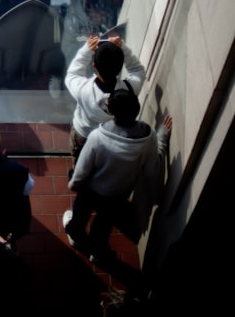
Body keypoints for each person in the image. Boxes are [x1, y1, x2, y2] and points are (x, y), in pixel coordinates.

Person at [64, 87, 172, 262]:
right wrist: (162, 138)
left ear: (112, 111)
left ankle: (76, 236)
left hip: (91, 190)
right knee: (104, 224)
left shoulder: (98, 136)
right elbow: (153, 170)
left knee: (80, 215)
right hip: (117, 195)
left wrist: (74, 184)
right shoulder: (148, 137)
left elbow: (82, 169)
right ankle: (97, 252)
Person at [65, 36, 146, 159]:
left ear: (94, 66)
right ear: (120, 68)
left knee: (80, 160)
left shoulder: (83, 90)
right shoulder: (130, 89)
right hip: (112, 138)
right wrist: (123, 48)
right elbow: (138, 70)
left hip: (84, 135)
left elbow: (72, 74)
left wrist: (85, 51)